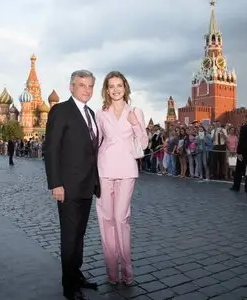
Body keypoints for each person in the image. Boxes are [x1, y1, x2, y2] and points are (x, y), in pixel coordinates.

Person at [44, 69, 101, 300]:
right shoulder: (61, 110)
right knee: (69, 237)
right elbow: (52, 149)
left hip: (87, 186)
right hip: (67, 187)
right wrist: (56, 184)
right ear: (71, 87)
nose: (86, 90)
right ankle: (69, 287)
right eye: (81, 85)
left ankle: (76, 275)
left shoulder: (91, 113)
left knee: (79, 235)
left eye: (89, 86)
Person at [95, 71, 148, 285]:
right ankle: (111, 272)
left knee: (121, 219)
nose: (116, 90)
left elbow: (143, 143)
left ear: (125, 87)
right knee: (105, 220)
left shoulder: (135, 111)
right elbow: (96, 141)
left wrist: (135, 123)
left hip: (126, 170)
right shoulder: (100, 113)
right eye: (111, 86)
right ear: (106, 90)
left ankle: (127, 271)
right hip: (104, 169)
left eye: (119, 85)